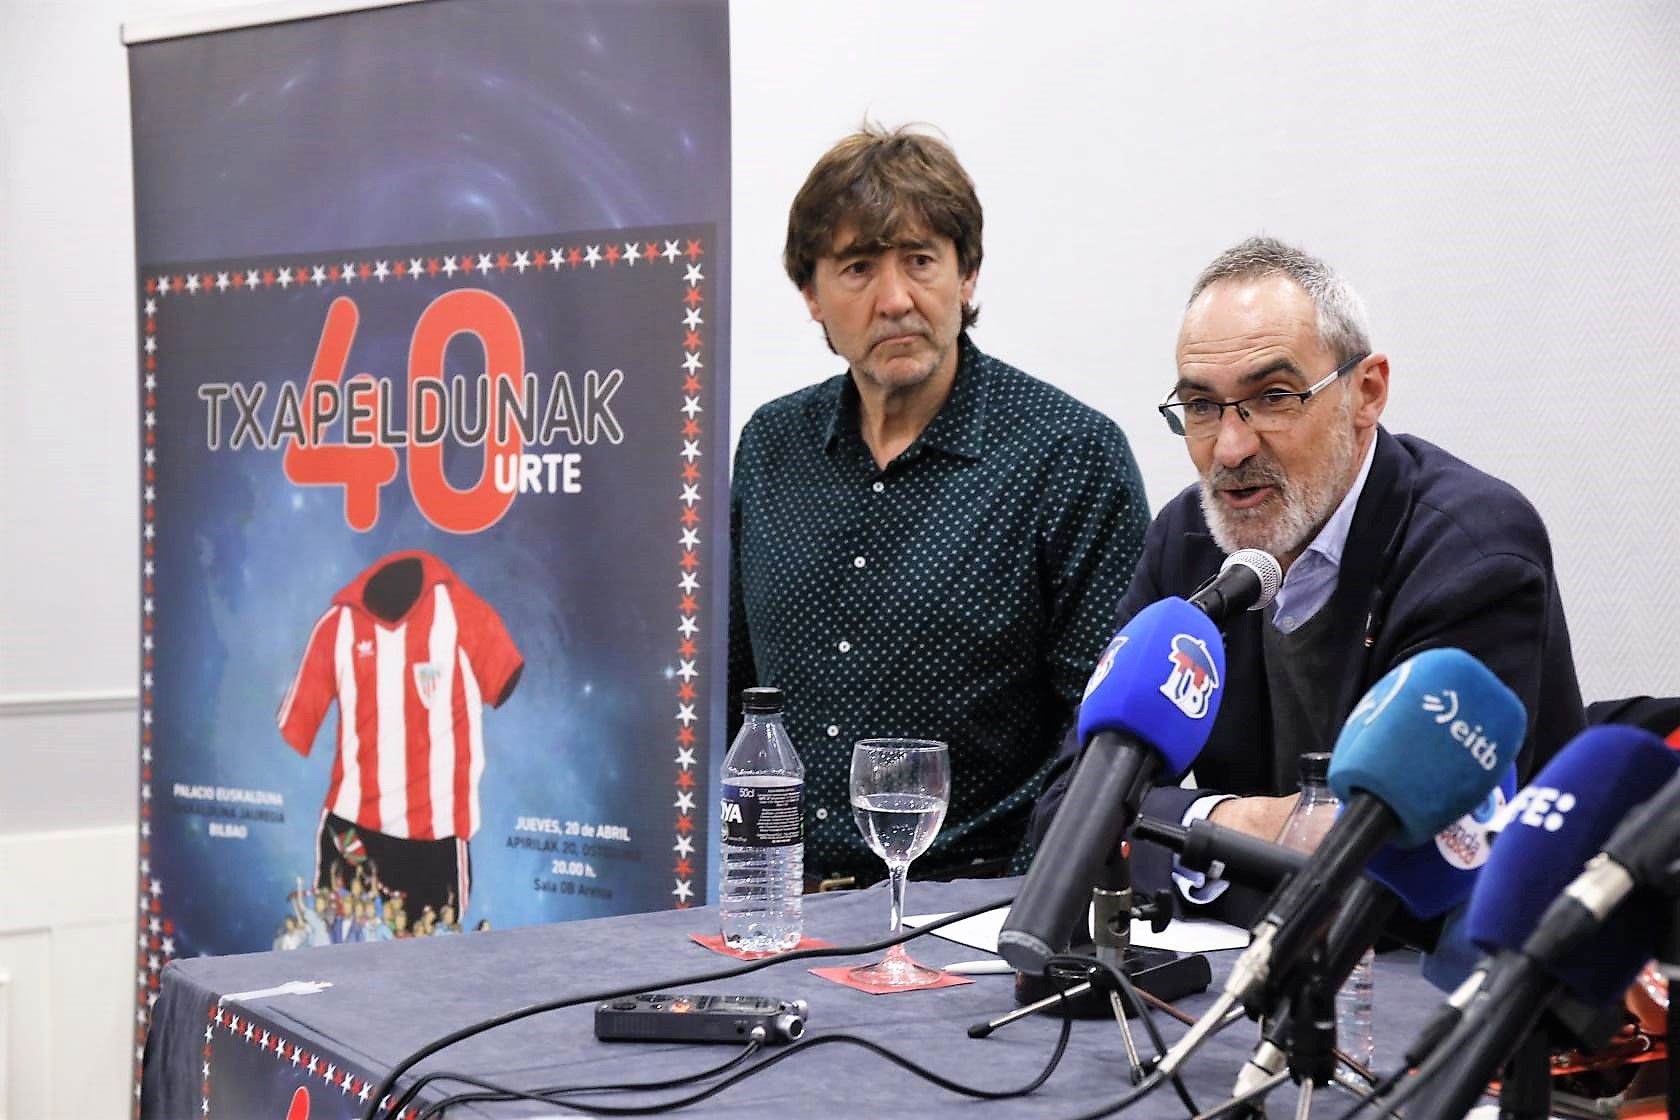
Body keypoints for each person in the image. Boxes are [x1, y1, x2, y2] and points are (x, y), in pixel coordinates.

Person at [1031, 235, 1584, 920]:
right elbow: (1066, 819)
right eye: (1202, 406)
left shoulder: (1473, 554)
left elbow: (1402, 883)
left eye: (1273, 396)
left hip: (1460, 991)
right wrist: (1250, 823)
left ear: (1367, 392)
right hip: (1262, 977)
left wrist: (1178, 832)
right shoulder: (1190, 539)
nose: (1230, 449)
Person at [729, 124, 1150, 888]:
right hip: (781, 905)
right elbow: (738, 697)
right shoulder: (770, 446)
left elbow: (1106, 735)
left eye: (921, 261)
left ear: (967, 277)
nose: (896, 300)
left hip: (977, 908)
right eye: (857, 268)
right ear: (811, 296)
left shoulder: (1067, 455)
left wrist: (1028, 906)